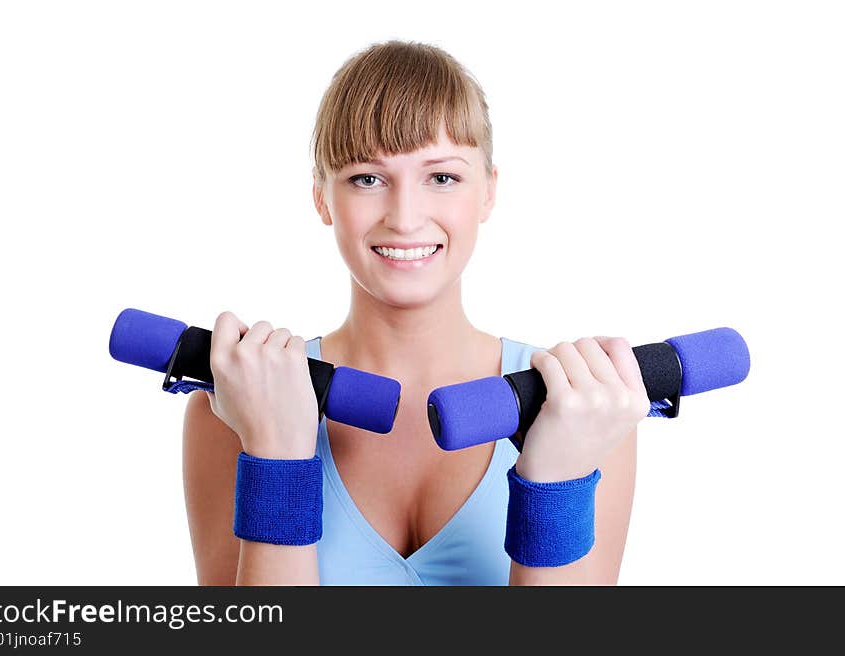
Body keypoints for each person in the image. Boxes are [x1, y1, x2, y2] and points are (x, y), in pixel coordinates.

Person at [182, 39, 649, 586]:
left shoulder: (585, 407)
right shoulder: (232, 406)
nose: (405, 218)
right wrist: (277, 460)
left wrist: (554, 487)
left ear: (488, 193)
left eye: (442, 177)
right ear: (321, 197)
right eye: (367, 178)